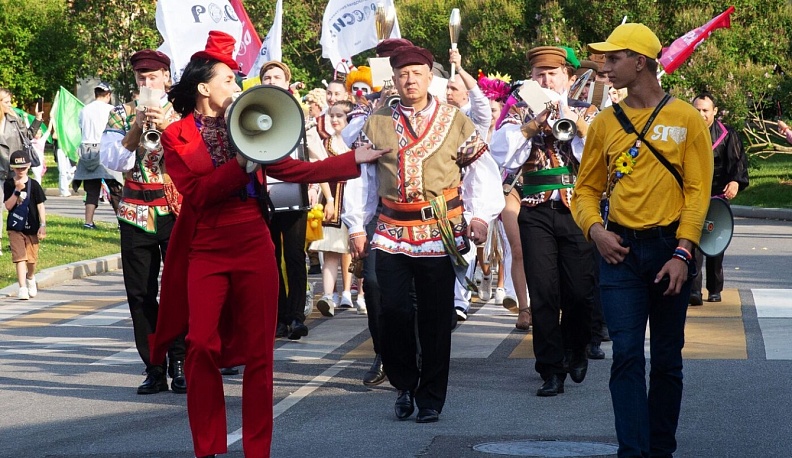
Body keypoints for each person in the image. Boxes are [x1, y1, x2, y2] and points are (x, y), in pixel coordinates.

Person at [147, 31, 387, 458]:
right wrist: (242, 163)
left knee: (260, 353)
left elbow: (294, 168)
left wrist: (353, 161)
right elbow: (198, 195)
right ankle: (208, 447)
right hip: (207, 244)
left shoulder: (250, 121)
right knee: (200, 344)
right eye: (228, 81)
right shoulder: (175, 135)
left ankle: (258, 449)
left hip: (253, 239)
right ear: (204, 88)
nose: (237, 88)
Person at [572, 23, 713, 457]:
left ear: (640, 61)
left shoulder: (687, 118)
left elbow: (697, 191)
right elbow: (585, 192)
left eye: (613, 59)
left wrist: (683, 251)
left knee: (667, 361)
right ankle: (633, 451)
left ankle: (660, 449)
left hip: (671, 252)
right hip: (619, 255)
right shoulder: (603, 124)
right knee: (627, 356)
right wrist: (596, 232)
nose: (605, 67)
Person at [346, 44, 503, 423]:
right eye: (403, 73)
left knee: (435, 316)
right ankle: (403, 384)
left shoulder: (454, 120)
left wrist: (480, 217)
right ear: (395, 79)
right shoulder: (377, 121)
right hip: (391, 230)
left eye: (417, 72)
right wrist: (356, 226)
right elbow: (364, 177)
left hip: (439, 229)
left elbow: (483, 170)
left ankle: (430, 398)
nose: (410, 79)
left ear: (430, 76)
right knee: (391, 308)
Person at [490, 46, 598, 397]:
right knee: (544, 292)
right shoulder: (518, 111)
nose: (545, 79)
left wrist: (571, 118)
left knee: (580, 292)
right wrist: (532, 125)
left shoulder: (588, 110)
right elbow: (501, 153)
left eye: (552, 73)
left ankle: (577, 347)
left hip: (577, 209)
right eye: (539, 74)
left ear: (568, 77)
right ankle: (550, 369)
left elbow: (598, 150)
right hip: (535, 210)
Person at [99, 49, 187, 395]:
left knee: (179, 288)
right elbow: (113, 160)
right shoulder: (120, 113)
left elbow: (196, 154)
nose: (146, 82)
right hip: (135, 211)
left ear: (166, 77)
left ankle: (180, 361)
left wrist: (168, 127)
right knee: (140, 293)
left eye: (152, 77)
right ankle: (153, 365)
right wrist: (136, 127)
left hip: (175, 209)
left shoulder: (181, 109)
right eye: (141, 77)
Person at [259, 60, 314, 340]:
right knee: (270, 257)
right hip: (265, 194)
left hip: (294, 191)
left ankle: (296, 316)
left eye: (276, 77)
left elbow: (312, 150)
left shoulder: (300, 112)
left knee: (294, 255)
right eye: (266, 77)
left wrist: (315, 185)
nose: (271, 81)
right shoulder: (253, 111)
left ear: (286, 81)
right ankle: (279, 316)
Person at [689, 92, 749, 304]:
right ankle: (693, 291)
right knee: (692, 241)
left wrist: (735, 182)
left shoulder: (727, 134)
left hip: (717, 196)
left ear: (714, 111)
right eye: (697, 110)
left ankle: (714, 288)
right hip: (693, 195)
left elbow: (738, 163)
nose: (701, 114)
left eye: (705, 110)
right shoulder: (686, 133)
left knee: (714, 242)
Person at [311, 100, 358, 316]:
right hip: (332, 202)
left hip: (354, 203)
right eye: (333, 115)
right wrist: (328, 199)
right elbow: (320, 171)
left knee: (354, 250)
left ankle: (352, 292)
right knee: (330, 251)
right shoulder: (326, 143)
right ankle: (328, 297)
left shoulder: (357, 143)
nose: (335, 119)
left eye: (340, 115)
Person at [1, 88, 43, 256]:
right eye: (6, 102)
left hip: (14, 171)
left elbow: (28, 135)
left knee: (17, 208)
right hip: (0, 170)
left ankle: (17, 241)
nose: (10, 105)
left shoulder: (14, 119)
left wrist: (38, 119)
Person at [74, 82, 122, 228]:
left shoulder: (85, 110)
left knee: (91, 189)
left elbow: (81, 128)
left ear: (95, 94)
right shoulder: (112, 110)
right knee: (115, 188)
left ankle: (88, 222)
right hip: (105, 148)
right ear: (108, 95)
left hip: (87, 150)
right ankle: (122, 222)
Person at [4, 150, 46, 299]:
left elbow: (40, 205)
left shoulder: (34, 185)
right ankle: (22, 288)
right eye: (17, 168)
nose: (20, 171)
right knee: (20, 257)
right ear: (12, 168)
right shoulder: (9, 184)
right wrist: (17, 190)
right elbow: (8, 206)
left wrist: (43, 224)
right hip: (15, 227)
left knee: (31, 260)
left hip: (32, 227)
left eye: (23, 167)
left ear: (28, 167)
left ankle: (30, 277)